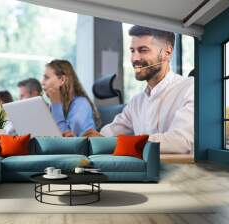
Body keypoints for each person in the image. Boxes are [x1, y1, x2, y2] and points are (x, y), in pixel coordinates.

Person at [83, 25, 194, 154]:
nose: (134, 58)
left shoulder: (189, 88)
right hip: (144, 170)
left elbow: (180, 142)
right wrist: (86, 139)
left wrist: (119, 143)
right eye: (132, 51)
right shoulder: (137, 101)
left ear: (167, 52)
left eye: (143, 50)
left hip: (178, 172)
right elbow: (108, 134)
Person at [42, 59, 101, 137]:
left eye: (46, 78)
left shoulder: (81, 105)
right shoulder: (52, 106)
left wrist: (56, 104)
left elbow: (68, 142)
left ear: (62, 80)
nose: (42, 82)